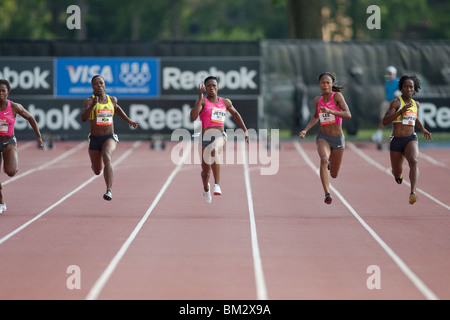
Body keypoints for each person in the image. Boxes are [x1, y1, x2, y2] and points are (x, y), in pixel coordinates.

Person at [190, 76, 249, 204]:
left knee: (213, 150)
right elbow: (193, 117)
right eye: (209, 86)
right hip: (204, 138)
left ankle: (217, 184)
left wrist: (245, 130)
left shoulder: (225, 102)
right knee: (205, 173)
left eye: (214, 85)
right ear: (205, 88)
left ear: (217, 87)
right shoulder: (203, 102)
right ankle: (206, 188)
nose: (211, 88)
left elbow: (235, 114)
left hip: (220, 136)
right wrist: (200, 99)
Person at [81, 75, 139, 201]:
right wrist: (92, 106)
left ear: (105, 85)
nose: (99, 86)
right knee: (97, 171)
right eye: (95, 84)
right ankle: (95, 165)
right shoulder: (89, 101)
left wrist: (129, 121)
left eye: (101, 83)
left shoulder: (112, 100)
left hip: (109, 137)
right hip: (95, 138)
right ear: (92, 86)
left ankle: (109, 191)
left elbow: (117, 109)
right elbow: (83, 118)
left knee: (107, 157)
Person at [299, 72, 352, 204]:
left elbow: (348, 114)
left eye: (328, 83)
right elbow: (316, 117)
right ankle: (327, 194)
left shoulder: (337, 97)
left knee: (334, 174)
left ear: (332, 84)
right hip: (323, 137)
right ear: (319, 84)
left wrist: (330, 111)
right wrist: (305, 130)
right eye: (323, 83)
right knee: (323, 159)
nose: (325, 85)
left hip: (338, 139)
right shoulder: (318, 100)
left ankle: (330, 164)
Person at [382, 75, 432, 205]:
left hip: (410, 138)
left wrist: (423, 129)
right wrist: (400, 111)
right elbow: (385, 121)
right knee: (397, 171)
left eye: (411, 87)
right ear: (401, 88)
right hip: (396, 140)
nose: (408, 89)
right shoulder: (396, 103)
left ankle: (413, 192)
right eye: (405, 86)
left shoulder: (416, 104)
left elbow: (415, 118)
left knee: (414, 161)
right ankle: (398, 175)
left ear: (414, 90)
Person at [0, 79, 45, 214]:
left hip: (9, 143)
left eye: (3, 90)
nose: (0, 93)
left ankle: (8, 162)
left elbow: (31, 118)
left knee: (11, 172)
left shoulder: (14, 107)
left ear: (8, 92)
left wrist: (38, 136)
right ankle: (1, 202)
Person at [372, 66, 400, 144]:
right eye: (388, 73)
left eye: (390, 73)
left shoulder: (398, 81)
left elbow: (403, 91)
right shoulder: (387, 81)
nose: (389, 75)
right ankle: (379, 134)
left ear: (394, 74)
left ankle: (395, 135)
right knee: (382, 118)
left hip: (395, 103)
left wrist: (399, 93)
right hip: (387, 101)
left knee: (395, 119)